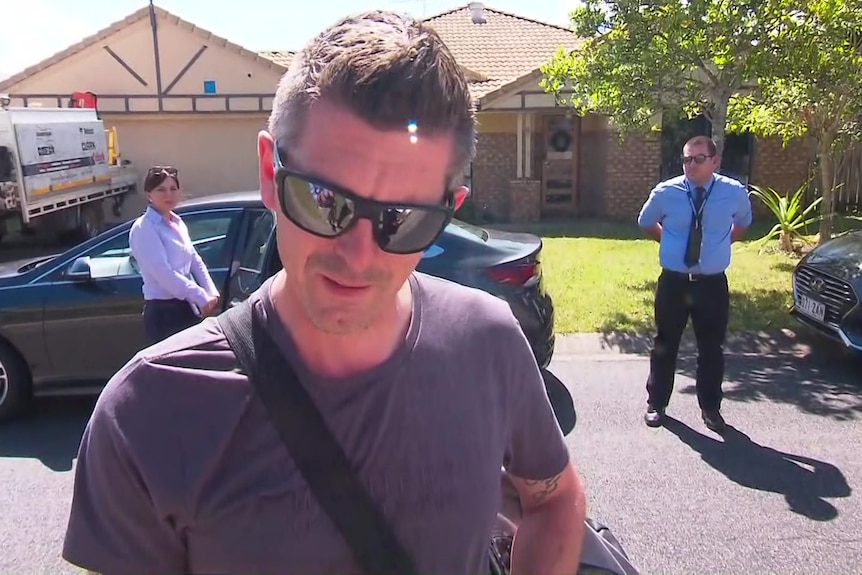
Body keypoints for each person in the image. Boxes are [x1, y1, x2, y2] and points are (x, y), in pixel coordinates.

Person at [62, 10, 587, 575]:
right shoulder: (148, 408)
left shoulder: (487, 342)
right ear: (269, 171)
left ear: (448, 213)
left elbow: (555, 497)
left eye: (403, 219)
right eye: (325, 200)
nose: (359, 256)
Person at [637, 135, 753, 433]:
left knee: (711, 348)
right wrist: (671, 243)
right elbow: (646, 222)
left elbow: (742, 223)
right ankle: (656, 403)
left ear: (715, 161)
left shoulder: (733, 192)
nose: (691, 164)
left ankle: (710, 408)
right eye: (687, 159)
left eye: (699, 159)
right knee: (665, 343)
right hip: (674, 283)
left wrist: (720, 245)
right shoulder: (666, 192)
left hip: (711, 284)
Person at [128, 166, 220, 343]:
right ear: (149, 194)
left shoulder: (177, 222)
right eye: (160, 190)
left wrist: (210, 292)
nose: (168, 195)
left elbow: (194, 260)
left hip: (186, 307)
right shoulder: (144, 228)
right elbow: (163, 272)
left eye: (173, 189)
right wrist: (199, 295)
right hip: (164, 312)